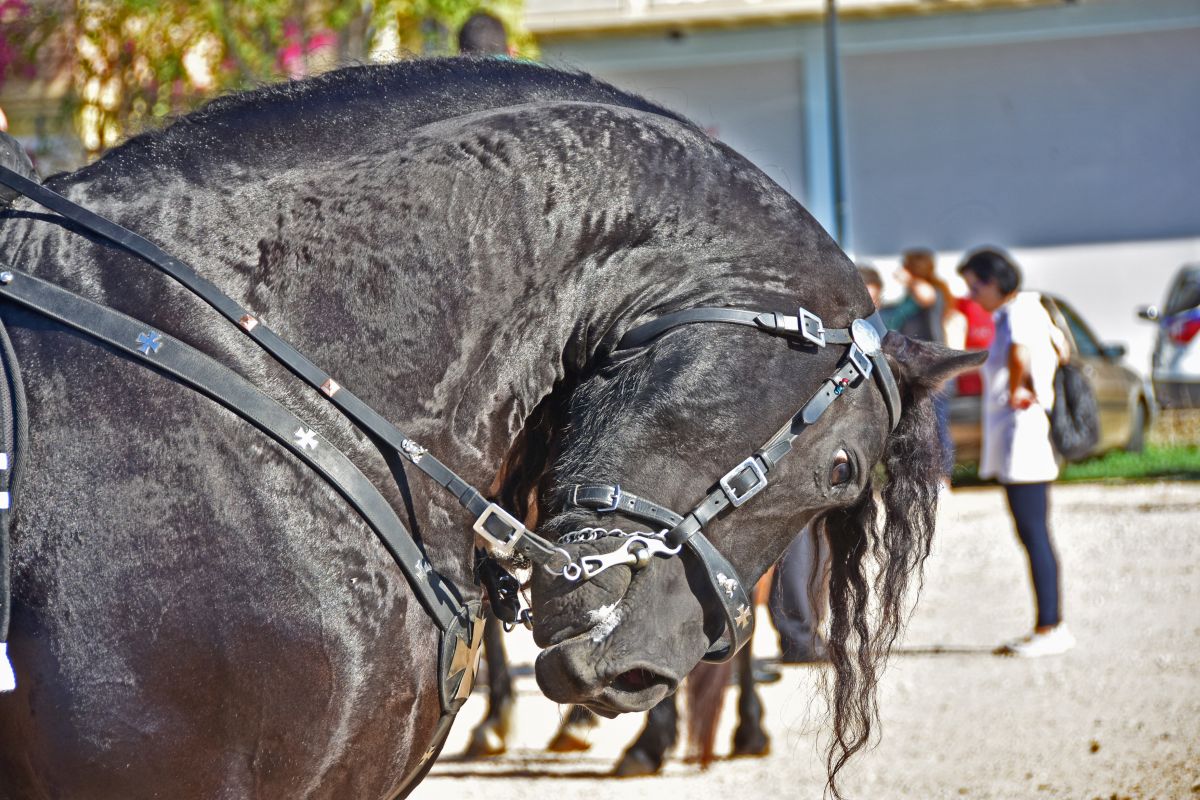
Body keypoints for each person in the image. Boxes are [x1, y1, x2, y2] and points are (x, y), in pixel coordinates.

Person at [958, 247, 1074, 658]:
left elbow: (1021, 351)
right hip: (1021, 440)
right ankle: (1049, 624)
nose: (972, 295)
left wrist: (1023, 383)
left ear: (994, 281)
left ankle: (1051, 626)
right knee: (1033, 534)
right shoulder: (1024, 310)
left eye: (975, 285)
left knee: (1035, 535)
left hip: (1023, 440)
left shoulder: (1019, 311)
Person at [891, 249, 964, 479]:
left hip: (931, 367)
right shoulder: (928, 291)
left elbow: (924, 296)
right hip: (921, 367)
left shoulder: (928, 290)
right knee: (924, 426)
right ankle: (931, 475)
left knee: (937, 426)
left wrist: (908, 280)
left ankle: (943, 476)